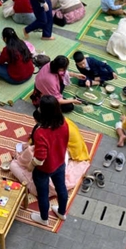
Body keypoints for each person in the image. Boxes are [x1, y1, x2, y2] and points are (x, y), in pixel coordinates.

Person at [29, 95, 70, 227]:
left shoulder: (40, 132)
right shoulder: (64, 122)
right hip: (60, 163)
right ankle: (62, 212)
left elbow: (40, 158)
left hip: (44, 169)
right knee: (61, 188)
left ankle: (44, 218)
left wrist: (31, 165)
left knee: (43, 194)